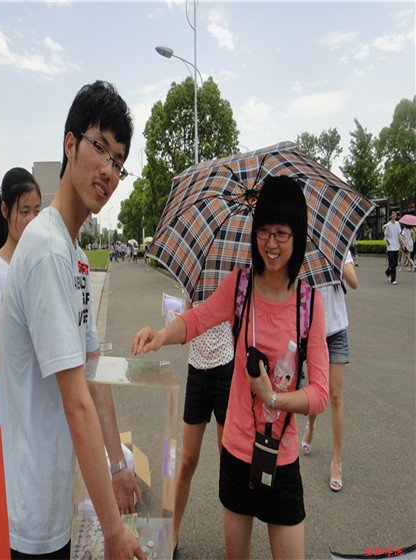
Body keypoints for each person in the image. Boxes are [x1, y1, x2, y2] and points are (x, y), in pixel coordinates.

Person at [132, 175, 329, 559]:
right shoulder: (240, 287)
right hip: (237, 456)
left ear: (299, 235)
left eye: (282, 234)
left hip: (282, 458)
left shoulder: (309, 305)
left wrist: (274, 398)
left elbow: (320, 393)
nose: (271, 244)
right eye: (264, 231)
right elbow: (198, 319)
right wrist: (161, 334)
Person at [0, 81, 144, 560]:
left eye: (118, 161)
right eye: (100, 147)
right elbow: (76, 402)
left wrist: (119, 465)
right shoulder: (46, 250)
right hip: (37, 502)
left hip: (63, 488)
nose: (108, 170)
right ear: (70, 144)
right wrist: (115, 532)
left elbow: (93, 371)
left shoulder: (74, 252)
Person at [0, 168, 41, 432]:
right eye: (24, 212)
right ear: (5, 210)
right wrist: (34, 348)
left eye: (36, 211)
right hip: (12, 422)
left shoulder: (38, 264)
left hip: (41, 413)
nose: (32, 220)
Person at [172, 302, 234, 557]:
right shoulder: (195, 282)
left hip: (225, 371)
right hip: (196, 373)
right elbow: (188, 320)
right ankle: (172, 532)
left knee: (228, 462)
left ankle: (235, 542)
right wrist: (172, 325)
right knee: (187, 461)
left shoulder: (232, 281)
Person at [301, 251, 358, 492]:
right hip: (312, 331)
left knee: (335, 395)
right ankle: (311, 424)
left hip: (336, 331)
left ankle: (336, 459)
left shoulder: (339, 248)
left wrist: (334, 257)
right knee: (317, 390)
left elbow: (353, 282)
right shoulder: (303, 250)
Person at [384, 211, 401, 284]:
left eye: (395, 214)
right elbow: (385, 235)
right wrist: (386, 241)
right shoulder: (388, 225)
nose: (394, 215)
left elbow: (399, 234)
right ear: (390, 216)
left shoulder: (397, 224)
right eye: (393, 214)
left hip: (396, 246)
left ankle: (388, 272)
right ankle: (393, 279)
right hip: (390, 247)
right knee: (392, 264)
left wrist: (402, 240)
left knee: (396, 264)